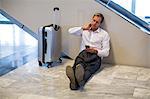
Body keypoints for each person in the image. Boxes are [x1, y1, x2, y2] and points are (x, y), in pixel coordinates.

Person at [66, 13, 110, 90]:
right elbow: (70, 31)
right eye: (94, 20)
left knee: (88, 71)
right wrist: (83, 28)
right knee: (78, 67)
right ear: (91, 20)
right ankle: (77, 80)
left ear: (100, 24)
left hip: (95, 57)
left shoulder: (104, 34)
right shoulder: (84, 31)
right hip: (83, 55)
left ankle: (74, 83)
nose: (94, 23)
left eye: (97, 22)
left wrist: (95, 51)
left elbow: (106, 52)